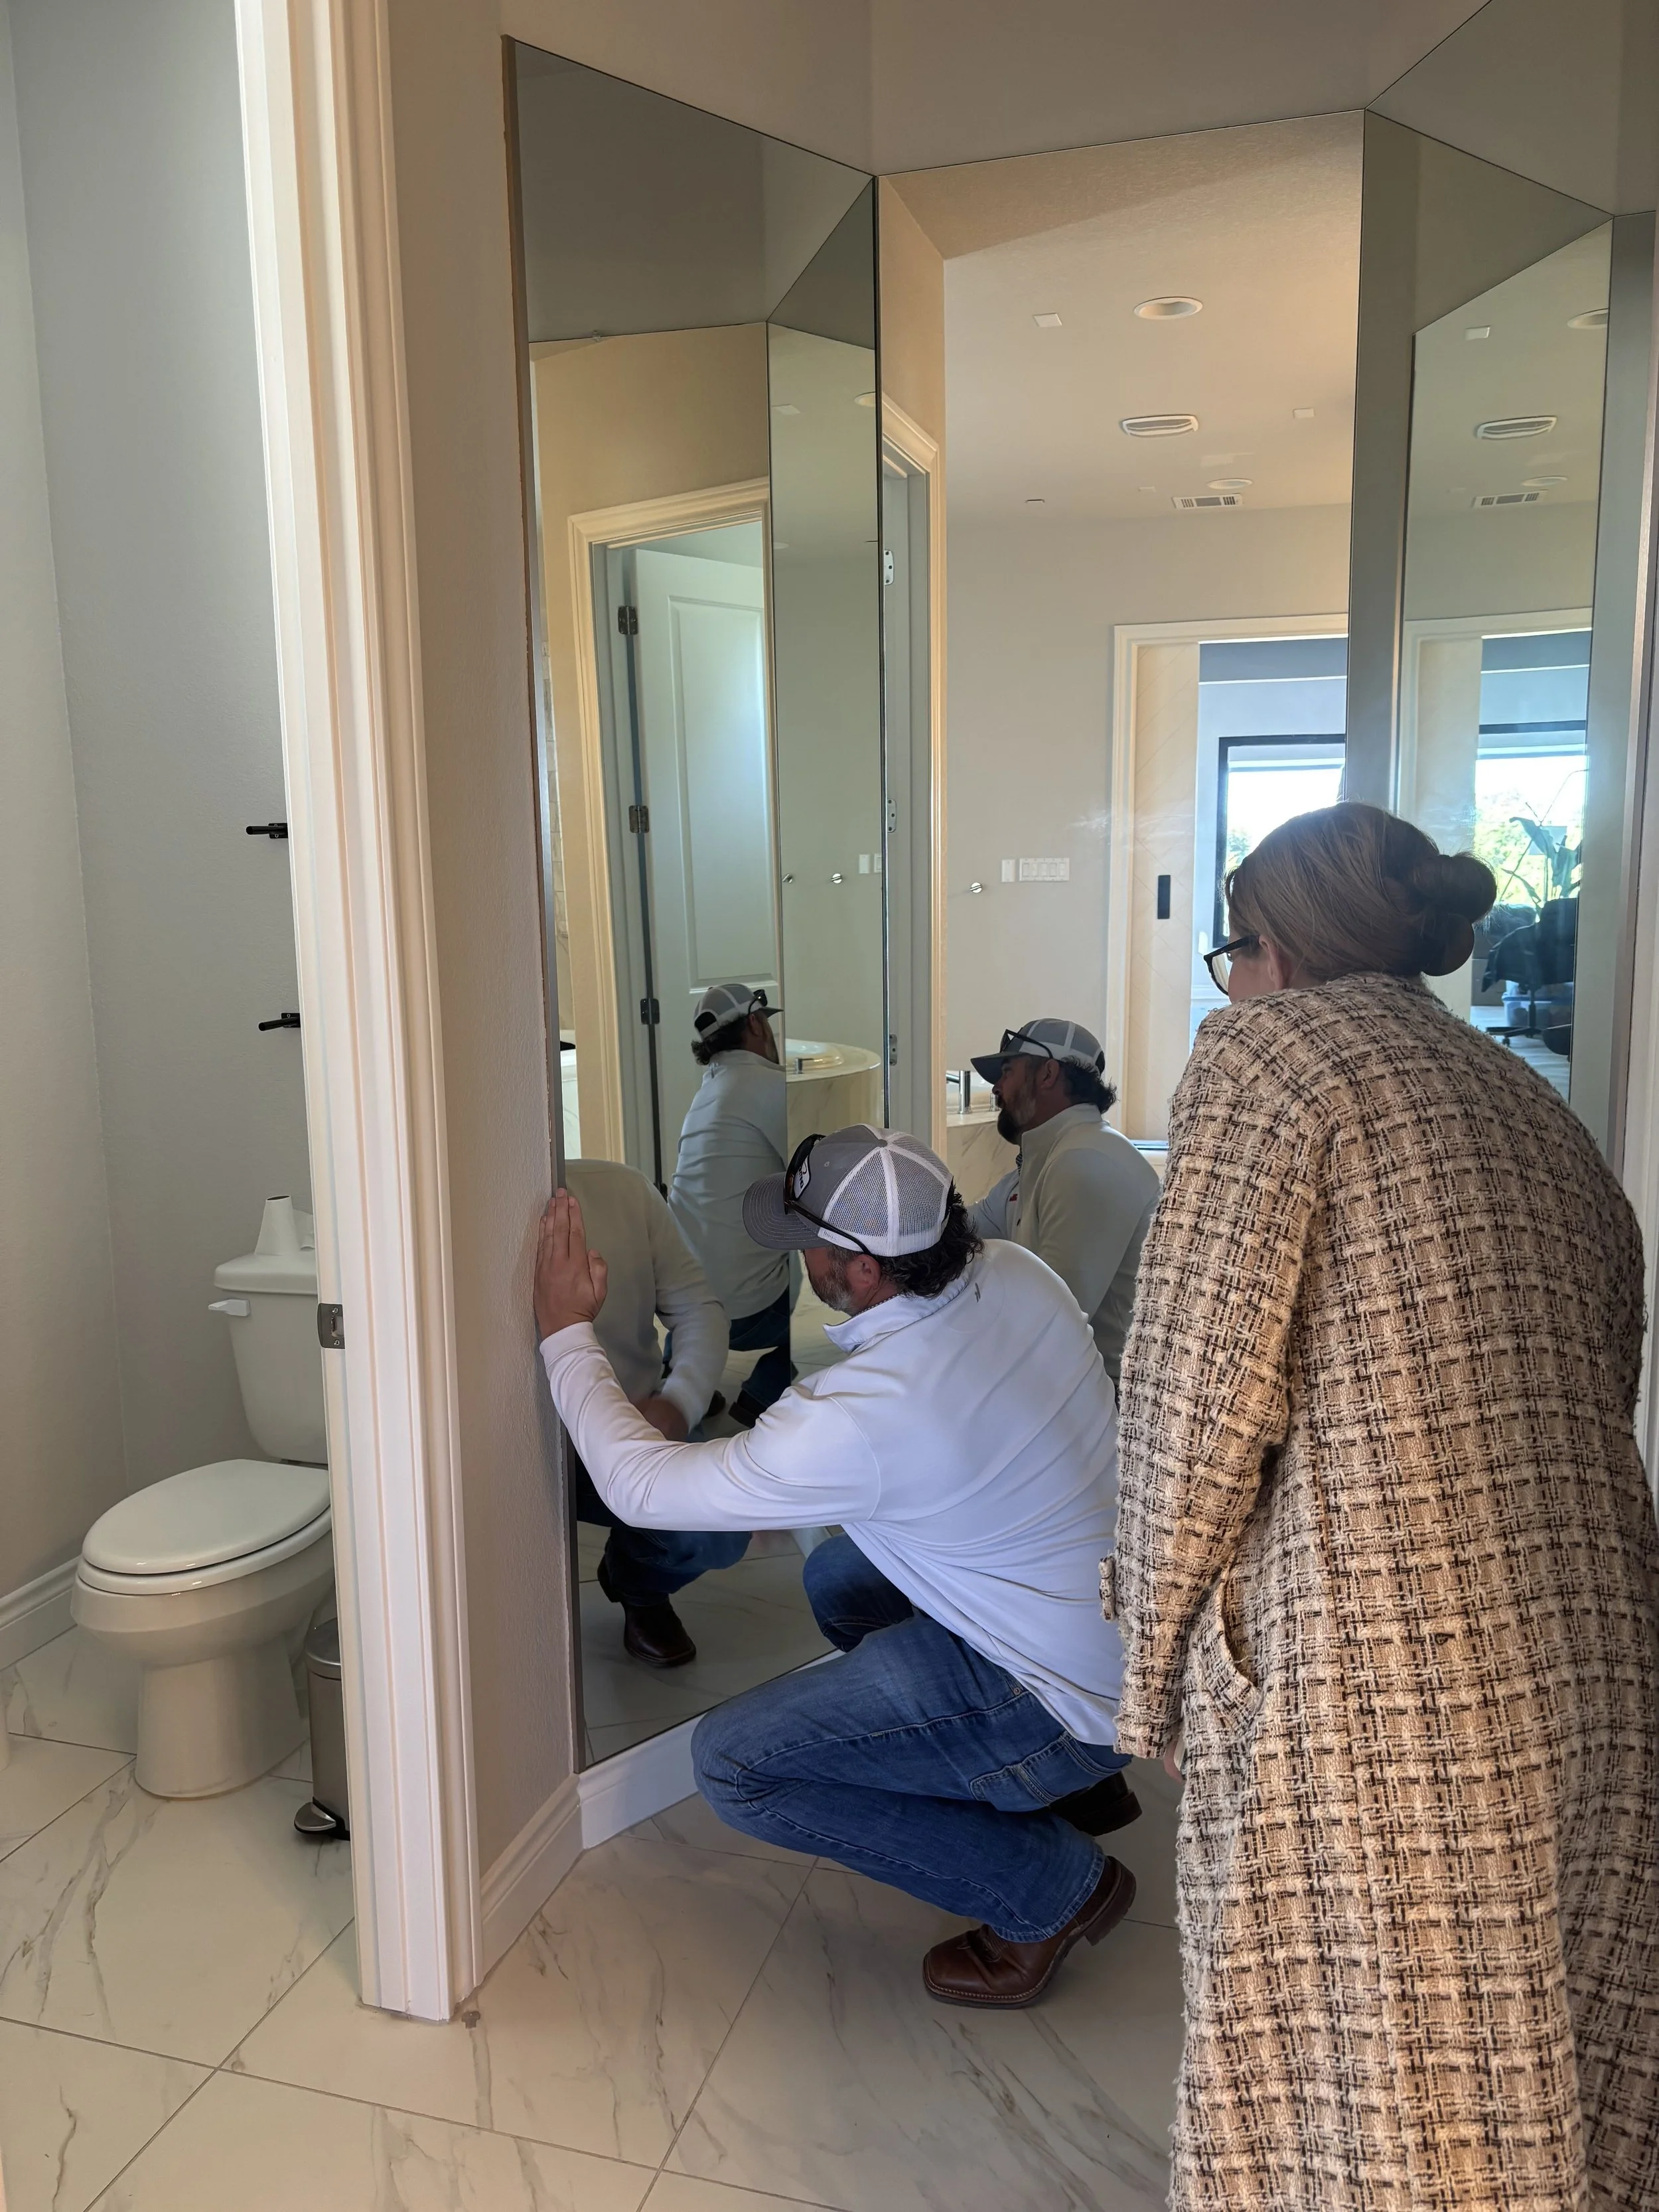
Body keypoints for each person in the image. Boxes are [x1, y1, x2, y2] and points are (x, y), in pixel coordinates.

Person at [1108, 801, 1659, 2209]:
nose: (1227, 980)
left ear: (1273, 947)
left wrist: (1152, 1664)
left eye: (1231, 947)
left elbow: (1191, 1387)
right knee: (1532, 2052)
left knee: (1342, 2091)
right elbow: (1605, 1363)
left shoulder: (1269, 1058)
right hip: (1594, 1648)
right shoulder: (1529, 1103)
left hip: (1383, 1665)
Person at [536, 1125, 1141, 2007]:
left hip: (1054, 1691)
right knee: (839, 1582)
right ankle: (1064, 1784)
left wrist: (564, 1331)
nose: (801, 1260)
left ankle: (1046, 1889)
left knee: (735, 1766)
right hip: (1124, 1623)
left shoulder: (858, 1412)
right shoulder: (1019, 1273)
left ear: (859, 1269)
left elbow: (639, 1488)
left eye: (810, 1243)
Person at [562, 1157, 744, 1669]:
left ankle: (637, 1582)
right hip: (503, 1452)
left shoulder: (622, 1190)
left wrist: (679, 1402)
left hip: (631, 1426)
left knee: (719, 1529)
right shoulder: (441, 1208)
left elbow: (697, 1307)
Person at [967, 1017, 1159, 1388]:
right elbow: (961, 1234)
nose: (996, 1088)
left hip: (1112, 1405)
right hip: (1073, 1390)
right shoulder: (1045, 1163)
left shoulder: (1088, 1160)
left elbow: (1054, 1323)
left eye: (1007, 1071)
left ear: (1048, 1074)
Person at [669, 982, 796, 1425]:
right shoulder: (770, 1085)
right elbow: (823, 1185)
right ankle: (766, 1387)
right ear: (757, 1023)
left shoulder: (705, 1095)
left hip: (687, 1307)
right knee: (845, 1285)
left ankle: (681, 1369)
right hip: (751, 1315)